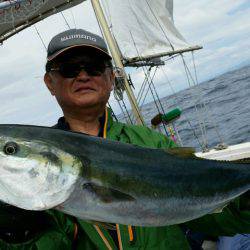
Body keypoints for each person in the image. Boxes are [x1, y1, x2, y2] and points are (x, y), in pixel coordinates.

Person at [1, 28, 250, 249]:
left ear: (111, 78)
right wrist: (15, 229)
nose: (83, 75)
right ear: (50, 83)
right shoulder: (24, 192)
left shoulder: (151, 143)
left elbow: (214, 218)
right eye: (69, 69)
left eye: (94, 66)